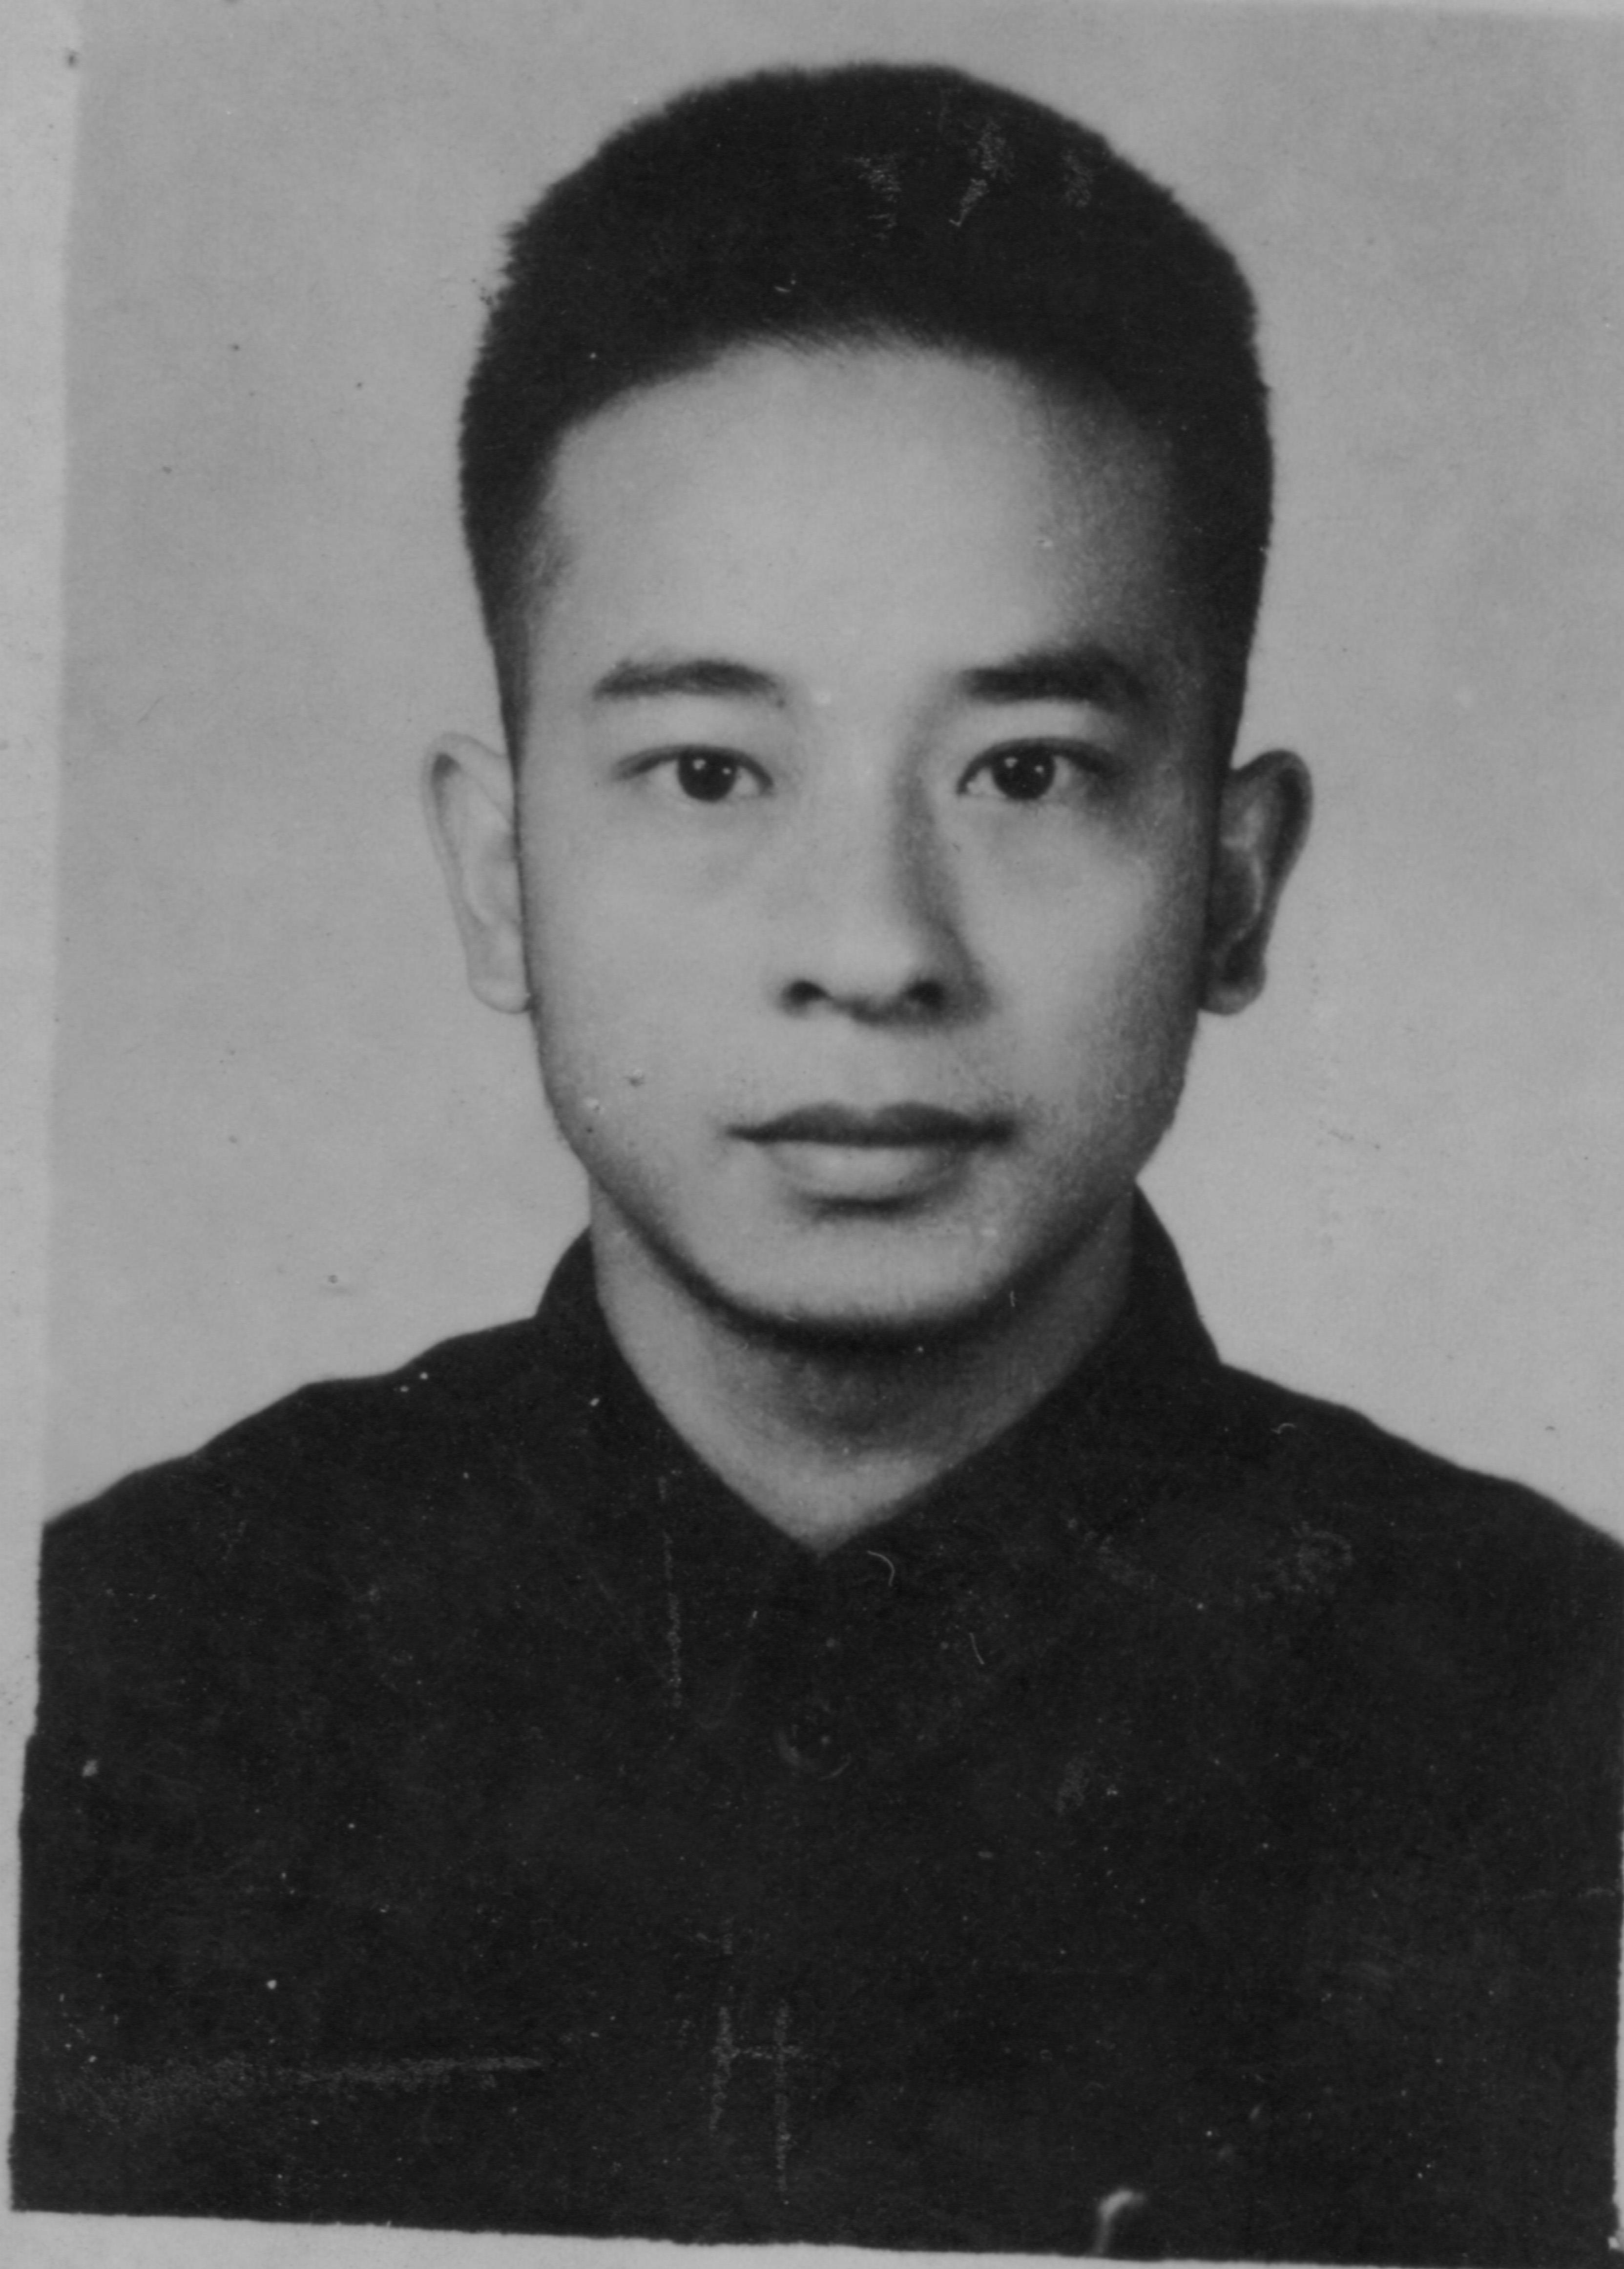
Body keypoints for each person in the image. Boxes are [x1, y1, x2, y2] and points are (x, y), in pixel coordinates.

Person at [12, 61, 1620, 2266]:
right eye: (707, 770)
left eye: (1026, 772)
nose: (871, 949)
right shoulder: (146, 1660)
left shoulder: (1549, 1709)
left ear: (1234, 883)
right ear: (497, 872)